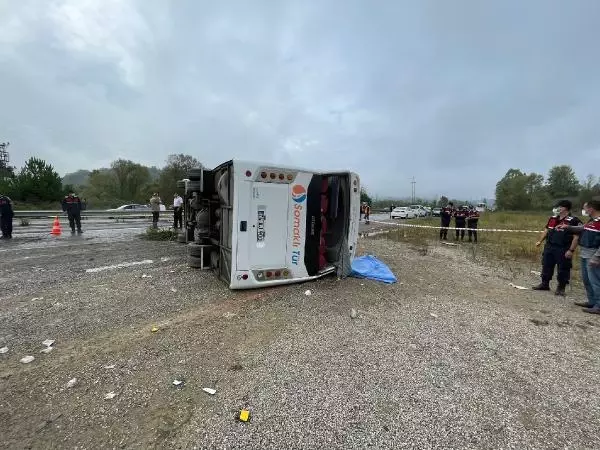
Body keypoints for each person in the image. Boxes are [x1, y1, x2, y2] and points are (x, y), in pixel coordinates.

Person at [557, 199, 600, 313]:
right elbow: (582, 228)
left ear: (591, 209)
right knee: (587, 280)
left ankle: (599, 306)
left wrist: (597, 257)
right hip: (585, 253)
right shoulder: (592, 221)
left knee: (595, 281)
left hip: (594, 254)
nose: (584, 210)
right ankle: (592, 301)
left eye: (585, 208)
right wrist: (567, 227)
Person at [532, 200, 582, 296]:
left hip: (563, 248)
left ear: (565, 208)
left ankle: (561, 288)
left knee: (563, 268)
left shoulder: (573, 220)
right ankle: (544, 284)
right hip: (550, 246)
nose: (557, 209)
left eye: (559, 207)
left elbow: (576, 237)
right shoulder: (553, 218)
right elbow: (546, 230)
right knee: (546, 265)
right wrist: (540, 241)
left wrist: (571, 250)